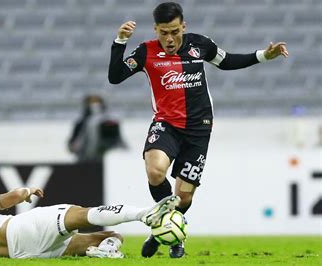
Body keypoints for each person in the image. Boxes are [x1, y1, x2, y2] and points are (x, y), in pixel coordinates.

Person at [108, 2, 289, 258]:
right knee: (155, 171)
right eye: (163, 32)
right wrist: (120, 41)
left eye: (174, 31)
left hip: (199, 129)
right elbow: (115, 77)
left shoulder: (200, 44)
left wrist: (262, 56)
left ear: (183, 26)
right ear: (155, 30)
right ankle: (168, 231)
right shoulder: (145, 52)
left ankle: (164, 232)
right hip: (166, 124)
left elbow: (226, 62)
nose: (169, 39)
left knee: (183, 199)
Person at [0, 186, 181, 259]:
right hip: (22, 229)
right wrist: (25, 192)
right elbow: (7, 200)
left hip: (24, 254)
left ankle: (102, 248)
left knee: (110, 236)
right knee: (82, 213)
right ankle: (146, 213)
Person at [68, 94, 126, 162]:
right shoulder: (80, 123)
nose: (94, 105)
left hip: (106, 159)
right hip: (84, 159)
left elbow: (118, 141)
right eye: (91, 102)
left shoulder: (110, 122)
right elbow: (73, 144)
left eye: (97, 102)